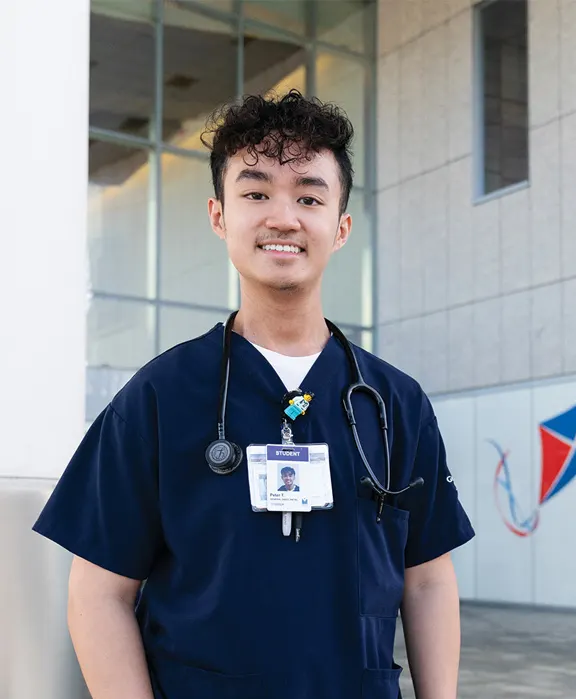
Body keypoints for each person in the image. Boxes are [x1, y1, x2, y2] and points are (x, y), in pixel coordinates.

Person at [32, 89, 475, 699]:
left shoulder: (394, 402)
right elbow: (97, 595)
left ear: (341, 227)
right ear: (220, 216)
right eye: (257, 192)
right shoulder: (159, 397)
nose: (283, 217)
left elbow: (426, 581)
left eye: (310, 197)